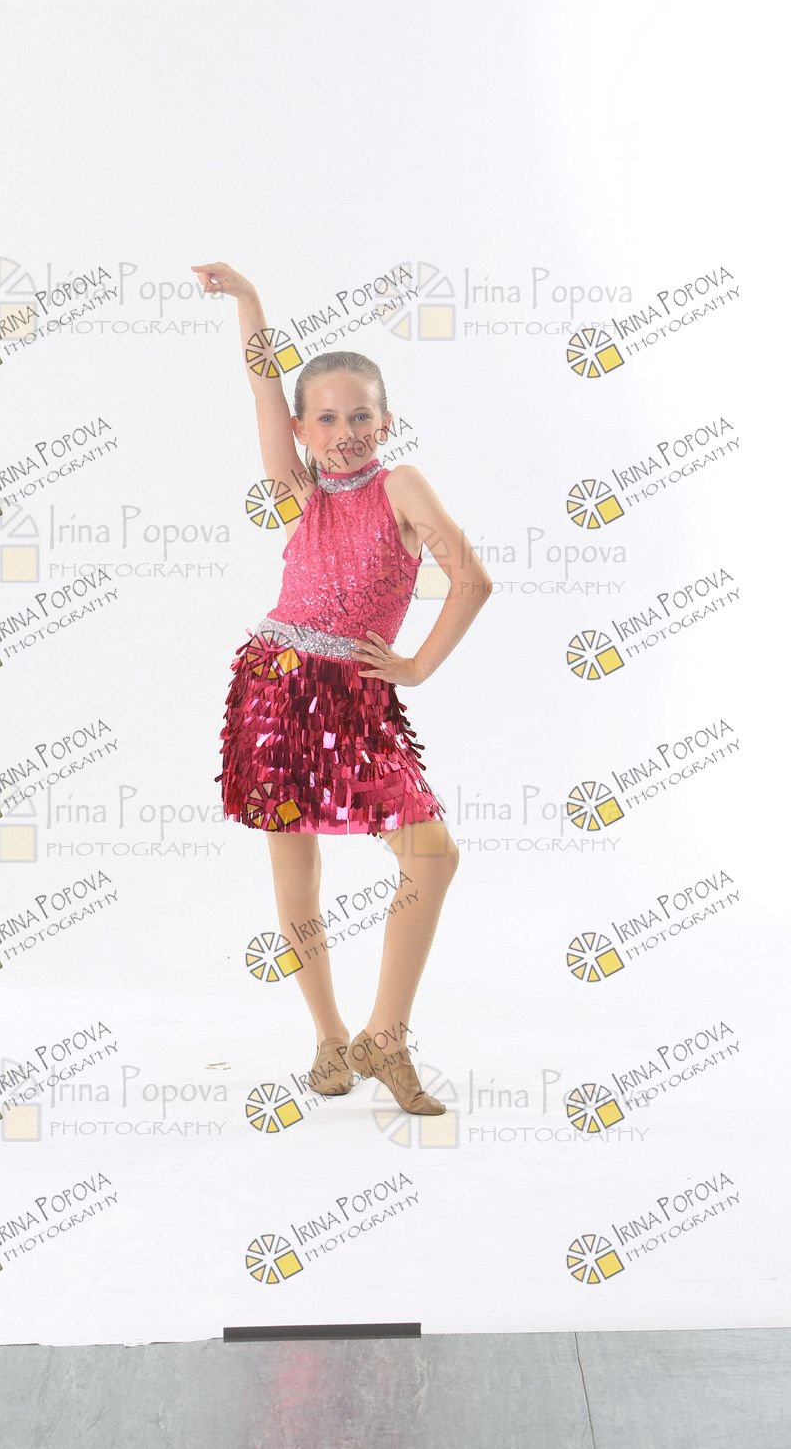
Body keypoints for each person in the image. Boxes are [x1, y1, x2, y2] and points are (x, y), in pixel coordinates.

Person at [193, 262, 493, 1117]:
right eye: (325, 418)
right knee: (296, 869)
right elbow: (261, 388)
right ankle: (329, 1038)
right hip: (276, 689)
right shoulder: (301, 495)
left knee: (431, 854)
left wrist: (416, 666)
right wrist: (250, 300)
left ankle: (384, 1034)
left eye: (361, 415)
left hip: (357, 701)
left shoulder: (401, 486)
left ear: (385, 421)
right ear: (302, 429)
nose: (345, 431)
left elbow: (471, 580)